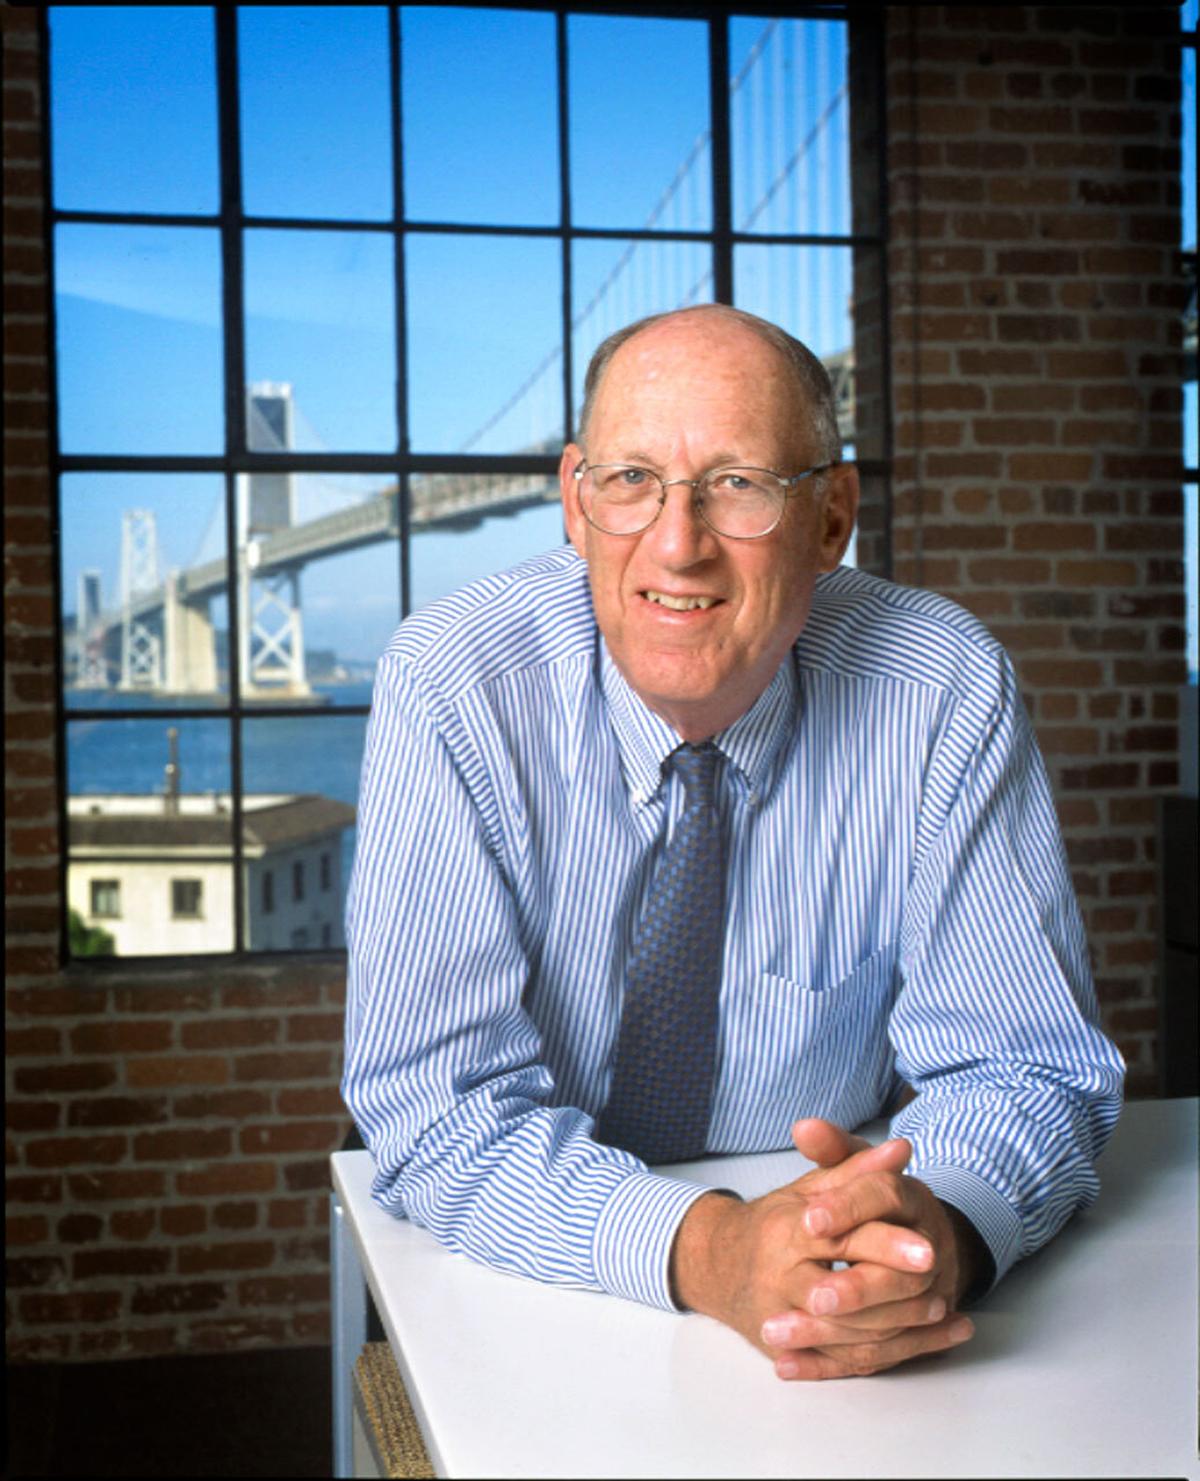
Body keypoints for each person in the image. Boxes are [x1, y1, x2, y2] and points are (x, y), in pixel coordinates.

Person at [342, 304, 1124, 1381]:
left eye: (740, 484)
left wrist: (931, 1234)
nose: (679, 544)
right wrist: (715, 1250)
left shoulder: (939, 687)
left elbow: (1024, 1060)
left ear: (833, 517)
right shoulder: (456, 683)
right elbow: (437, 1106)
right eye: (631, 481)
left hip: (823, 1267)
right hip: (507, 1278)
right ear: (575, 502)